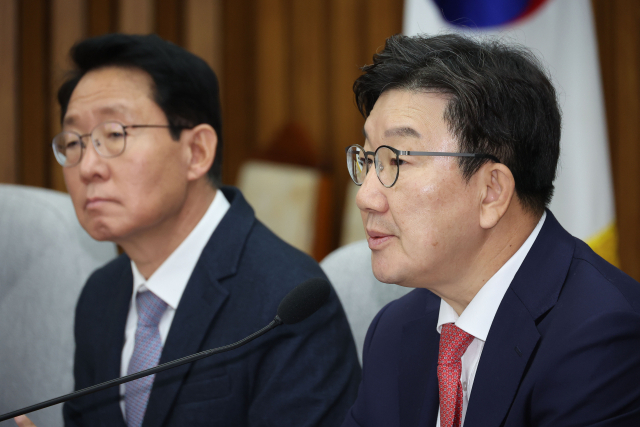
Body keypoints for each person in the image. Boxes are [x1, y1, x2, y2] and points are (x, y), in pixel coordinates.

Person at [15, 33, 360, 427]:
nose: (88, 166)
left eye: (113, 135)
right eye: (74, 142)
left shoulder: (285, 303)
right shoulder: (100, 296)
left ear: (196, 152)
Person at [340, 33, 640, 427]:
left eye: (396, 161)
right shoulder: (393, 331)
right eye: (368, 160)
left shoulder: (602, 337)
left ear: (491, 192)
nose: (365, 196)